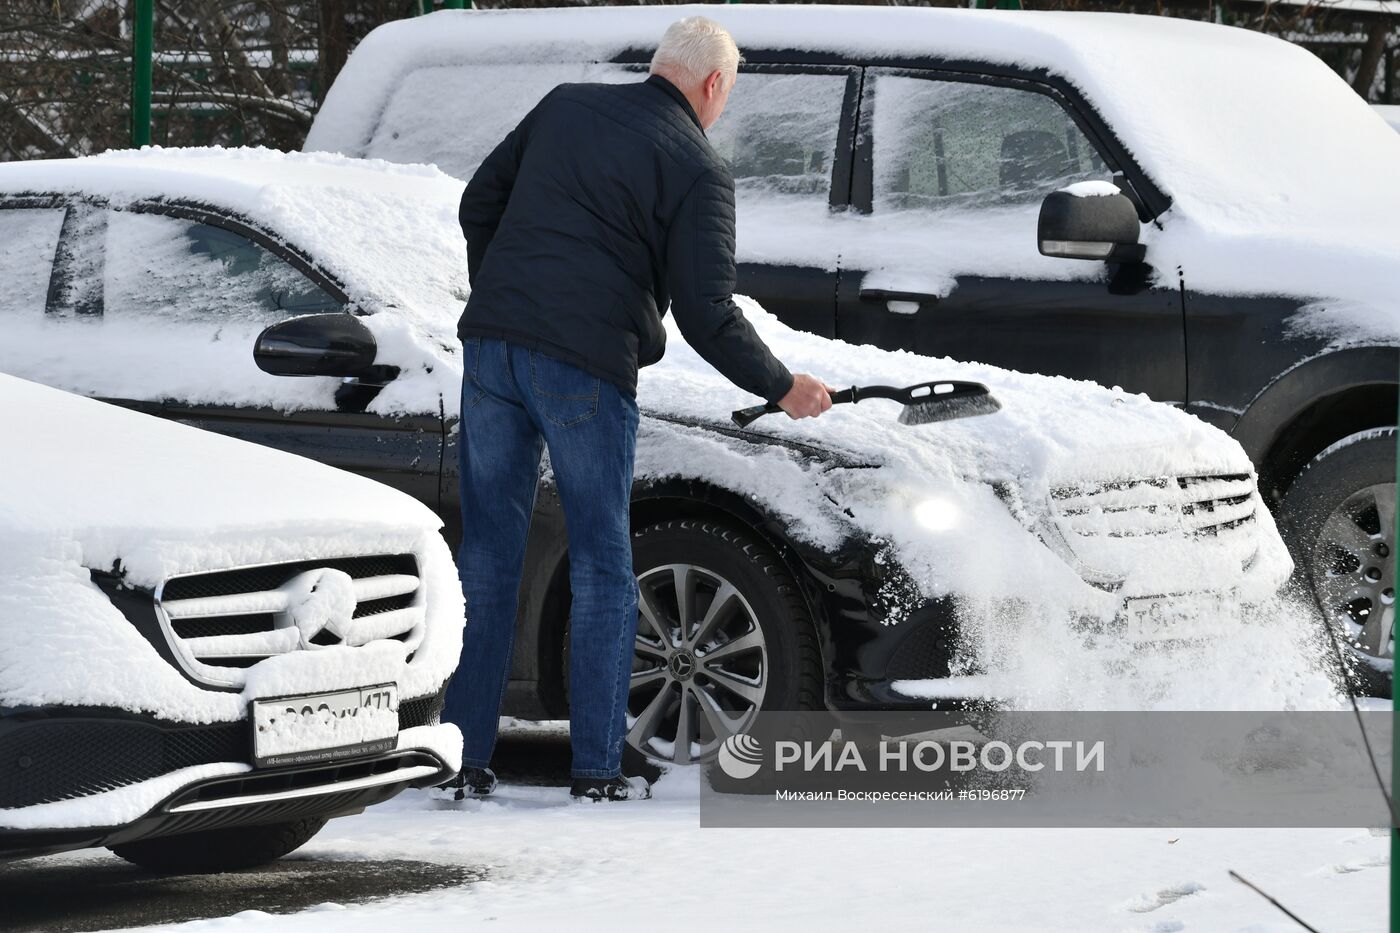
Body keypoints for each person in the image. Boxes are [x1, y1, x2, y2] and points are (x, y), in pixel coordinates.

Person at [440, 16, 831, 803]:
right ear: (714, 84)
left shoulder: (563, 106)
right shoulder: (696, 166)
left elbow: (478, 204)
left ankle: (465, 759)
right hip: (582, 369)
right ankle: (596, 767)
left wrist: (507, 293)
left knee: (486, 561)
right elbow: (707, 312)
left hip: (491, 350)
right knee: (602, 565)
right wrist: (784, 386)